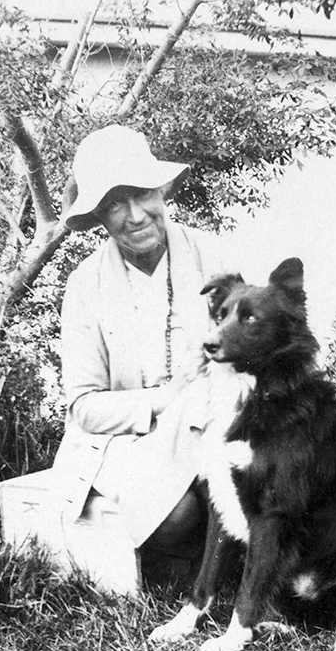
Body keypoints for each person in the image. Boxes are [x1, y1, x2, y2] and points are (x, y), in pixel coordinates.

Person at [53, 124, 231, 563]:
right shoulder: (85, 285)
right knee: (177, 516)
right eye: (115, 204)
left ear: (163, 190)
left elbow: (252, 351)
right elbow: (84, 408)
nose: (134, 216)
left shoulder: (214, 258)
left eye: (143, 194)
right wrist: (164, 400)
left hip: (212, 422)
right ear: (98, 216)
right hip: (123, 442)